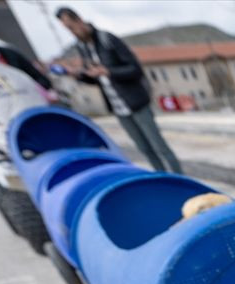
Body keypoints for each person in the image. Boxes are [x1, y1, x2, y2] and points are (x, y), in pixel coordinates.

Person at [54, 6, 181, 174]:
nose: (71, 32)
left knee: (159, 146)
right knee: (144, 149)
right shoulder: (83, 49)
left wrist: (108, 71)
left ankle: (180, 178)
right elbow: (97, 80)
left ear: (79, 20)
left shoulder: (107, 40)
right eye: (67, 29)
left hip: (136, 103)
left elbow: (135, 69)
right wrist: (77, 75)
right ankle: (163, 179)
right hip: (117, 108)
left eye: (71, 26)